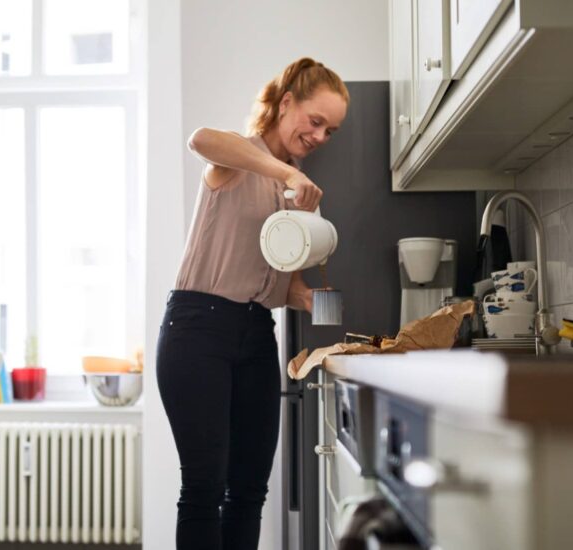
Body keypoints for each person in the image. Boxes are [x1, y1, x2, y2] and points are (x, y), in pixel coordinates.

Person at [156, 57, 349, 550]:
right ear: (287, 104)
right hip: (198, 329)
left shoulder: (297, 192)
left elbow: (284, 286)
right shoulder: (240, 158)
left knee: (249, 490)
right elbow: (199, 138)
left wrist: (322, 306)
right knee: (203, 488)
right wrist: (284, 168)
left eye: (331, 129)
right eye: (316, 121)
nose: (322, 136)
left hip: (257, 333)